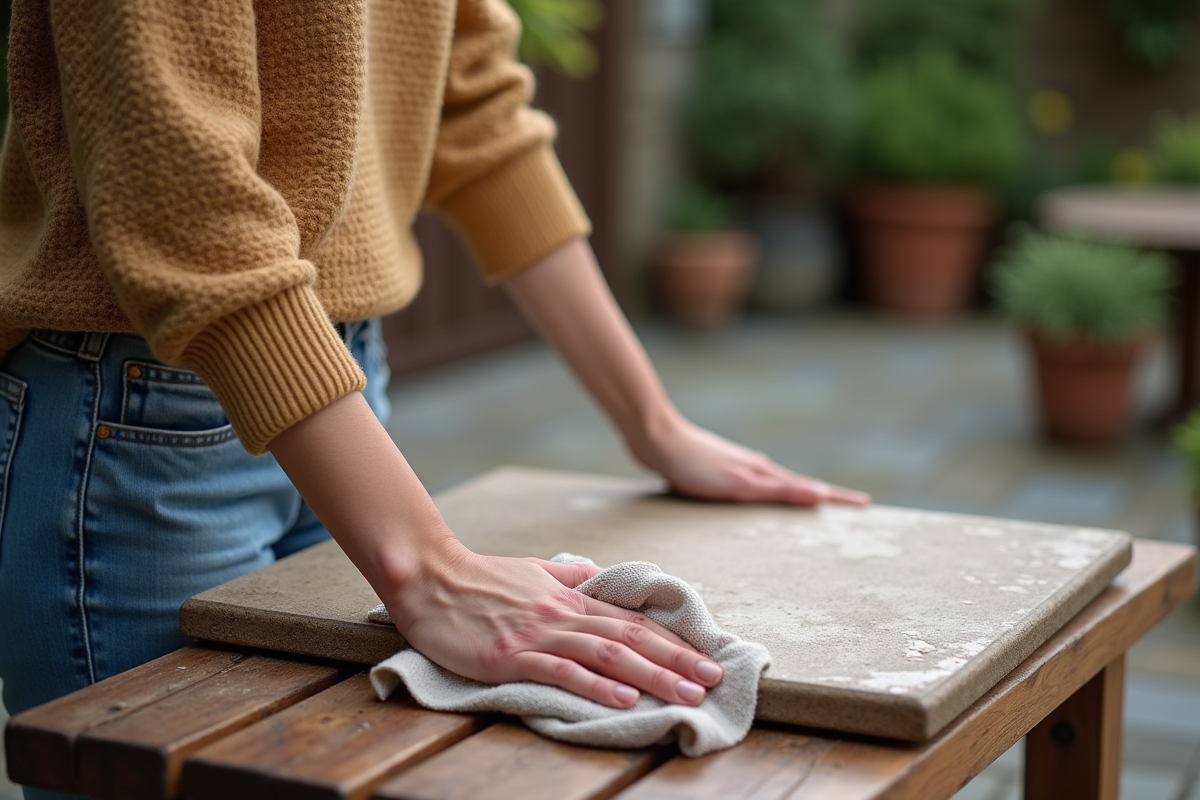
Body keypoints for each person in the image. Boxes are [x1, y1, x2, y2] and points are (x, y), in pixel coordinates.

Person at [0, 2, 867, 790]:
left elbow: (475, 112)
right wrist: (433, 568)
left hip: (343, 395)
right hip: (140, 426)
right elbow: (185, 201)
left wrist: (654, 423)